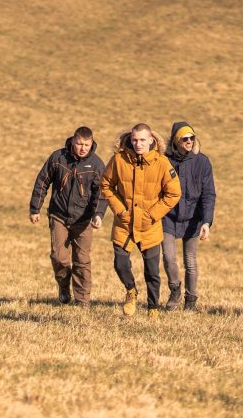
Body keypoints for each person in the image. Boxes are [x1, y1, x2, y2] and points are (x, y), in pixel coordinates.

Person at [100, 123, 181, 317]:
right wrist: (120, 210)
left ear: (151, 140)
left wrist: (152, 215)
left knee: (152, 272)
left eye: (142, 140)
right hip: (124, 223)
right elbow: (106, 185)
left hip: (150, 227)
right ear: (130, 139)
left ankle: (153, 308)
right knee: (120, 264)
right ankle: (131, 291)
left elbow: (174, 192)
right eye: (135, 140)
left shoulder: (161, 163)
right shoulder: (118, 160)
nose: (138, 144)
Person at [29, 126, 108, 307]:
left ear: (92, 143)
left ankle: (82, 300)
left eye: (87, 144)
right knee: (59, 257)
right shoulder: (58, 158)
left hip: (84, 220)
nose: (83, 148)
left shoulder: (96, 164)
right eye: (80, 143)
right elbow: (42, 182)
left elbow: (101, 193)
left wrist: (98, 215)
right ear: (73, 141)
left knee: (82, 260)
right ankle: (64, 287)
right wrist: (35, 209)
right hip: (59, 216)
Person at [162, 121, 216, 311]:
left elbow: (208, 194)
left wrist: (207, 222)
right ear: (176, 141)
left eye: (192, 138)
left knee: (190, 261)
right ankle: (174, 290)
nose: (189, 141)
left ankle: (191, 300)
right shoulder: (164, 160)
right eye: (185, 139)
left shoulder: (202, 162)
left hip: (194, 218)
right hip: (167, 217)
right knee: (168, 257)